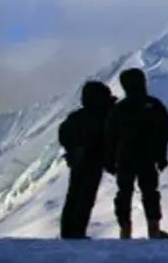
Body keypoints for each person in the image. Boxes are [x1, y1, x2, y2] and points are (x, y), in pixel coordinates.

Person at [105, 68, 168, 240]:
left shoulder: (119, 108)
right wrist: (161, 156)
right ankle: (154, 230)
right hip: (147, 157)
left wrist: (111, 160)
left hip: (125, 157)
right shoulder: (154, 105)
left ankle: (125, 231)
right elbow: (164, 131)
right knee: (150, 192)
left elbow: (110, 135)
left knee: (124, 193)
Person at [57, 80, 116, 239]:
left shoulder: (77, 116)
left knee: (75, 196)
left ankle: (69, 232)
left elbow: (64, 134)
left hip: (80, 161)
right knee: (85, 198)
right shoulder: (103, 116)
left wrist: (73, 150)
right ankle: (76, 232)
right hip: (93, 161)